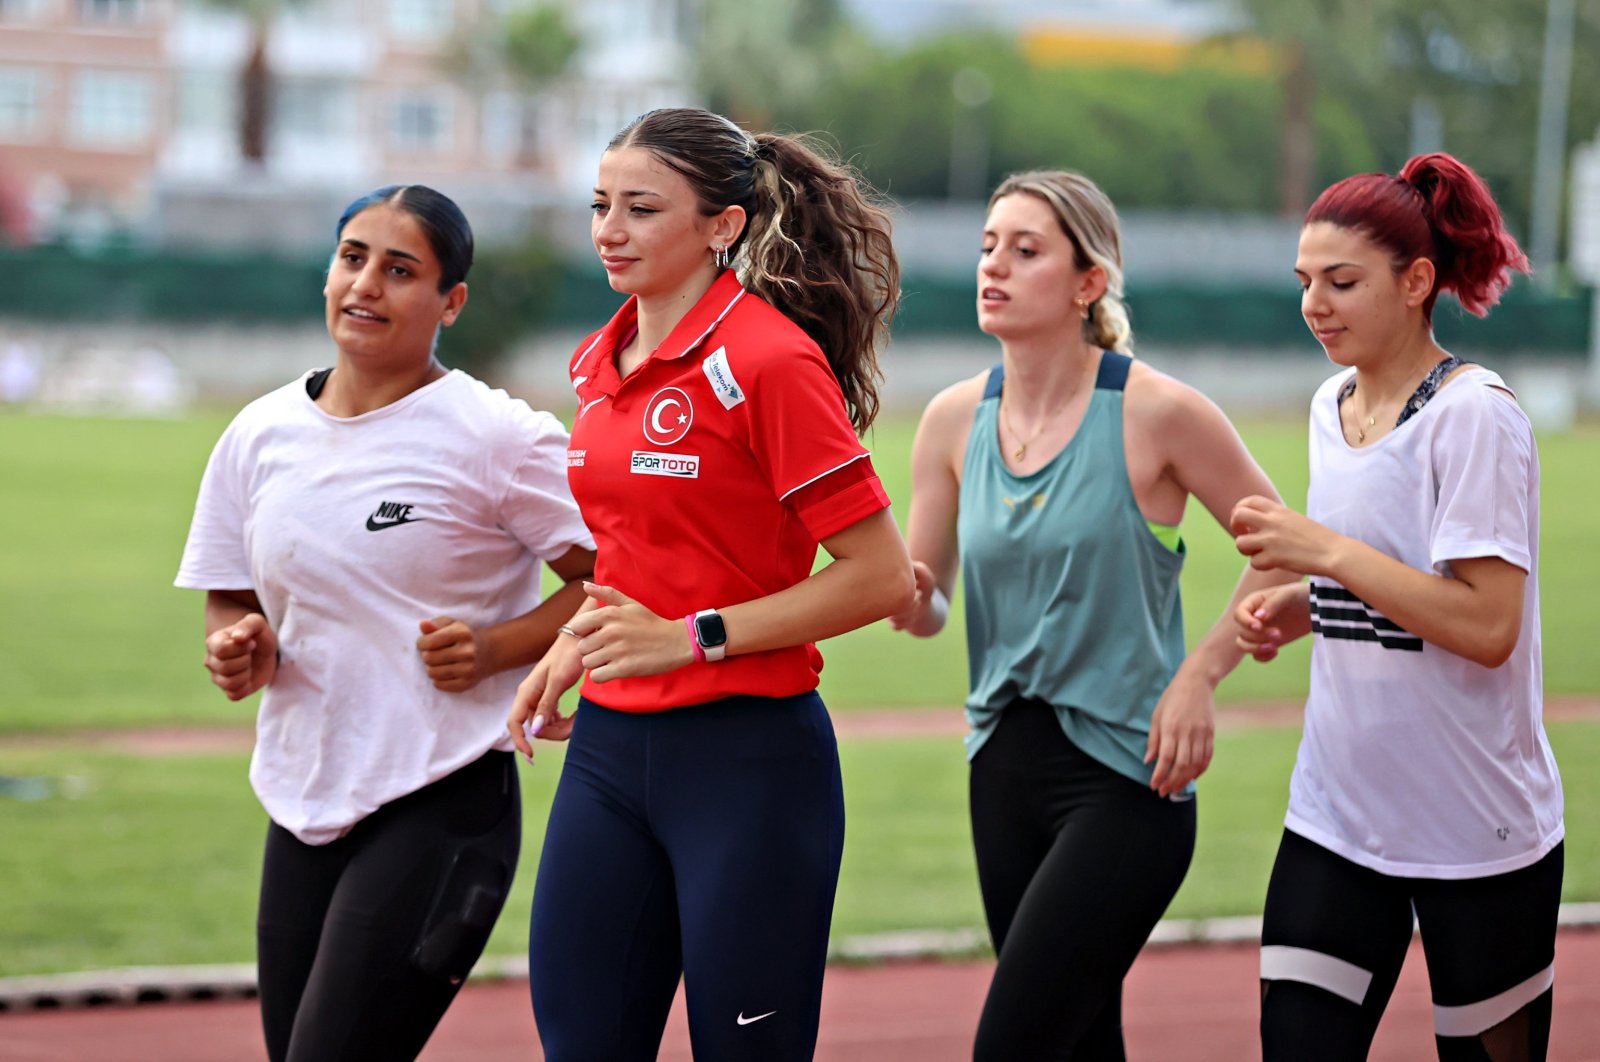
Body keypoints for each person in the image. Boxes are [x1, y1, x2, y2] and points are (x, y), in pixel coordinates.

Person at [505, 107, 914, 1060]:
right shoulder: (599, 361)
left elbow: (882, 576)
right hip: (608, 755)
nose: (609, 229)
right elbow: (640, 549)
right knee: (581, 1042)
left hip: (747, 766)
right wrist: (575, 642)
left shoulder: (770, 361)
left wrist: (693, 637)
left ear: (722, 226)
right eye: (600, 204)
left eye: (642, 208)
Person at [175, 184, 596, 1062]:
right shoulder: (258, 433)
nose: (365, 284)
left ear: (451, 302)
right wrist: (236, 645)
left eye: (400, 270)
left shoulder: (496, 436)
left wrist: (497, 649)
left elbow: (618, 578)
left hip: (442, 798)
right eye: (352, 258)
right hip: (302, 798)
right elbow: (231, 590)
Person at [888, 169, 1299, 1060]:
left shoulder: (1160, 412)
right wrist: (901, 592)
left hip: (1128, 778)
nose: (993, 266)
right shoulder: (953, 421)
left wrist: (1202, 674)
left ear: (1088, 283)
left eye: (1025, 250)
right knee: (1078, 1045)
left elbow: (1292, 550)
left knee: (1013, 1044)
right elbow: (930, 605)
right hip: (1001, 770)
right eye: (989, 245)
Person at [1231, 153, 1564, 1061]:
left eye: (1342, 282)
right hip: (1337, 817)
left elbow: (1488, 628)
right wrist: (1308, 604)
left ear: (1418, 282)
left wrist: (1325, 553)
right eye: (1305, 282)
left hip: (1474, 831)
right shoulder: (1327, 404)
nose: (1315, 305)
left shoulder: (1475, 415)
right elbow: (1388, 581)